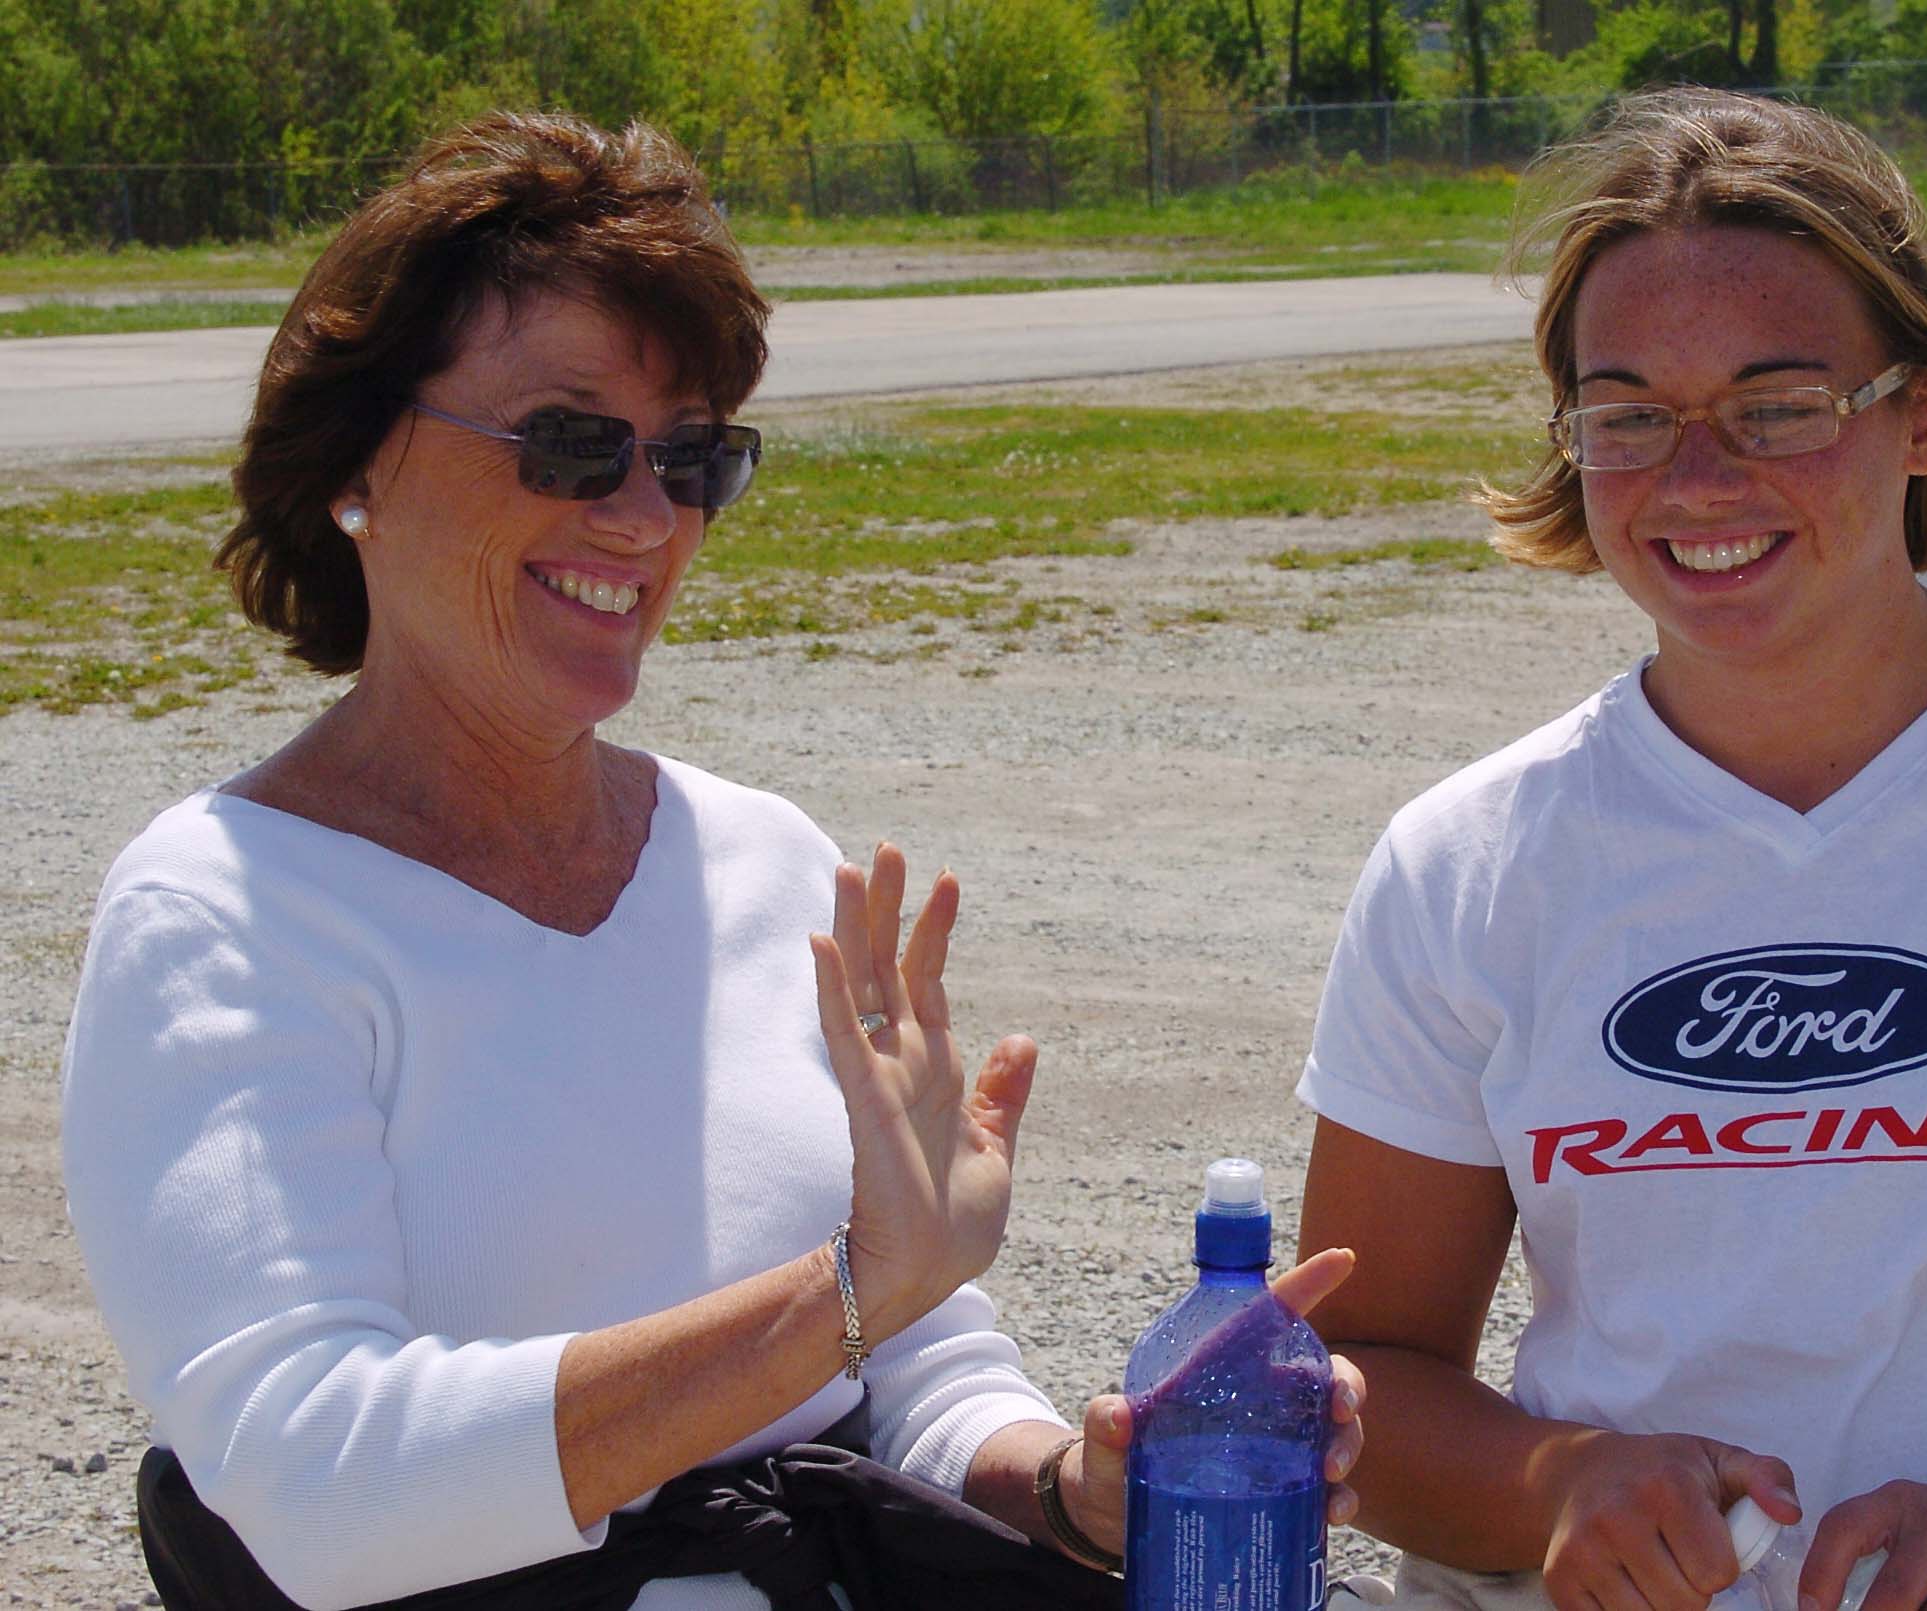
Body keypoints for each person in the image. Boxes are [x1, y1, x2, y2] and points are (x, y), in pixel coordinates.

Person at [58, 110, 1363, 1611]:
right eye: (569, 442)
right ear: (355, 459)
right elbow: (317, 1485)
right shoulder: (229, 912)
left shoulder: (765, 865)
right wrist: (842, 1299)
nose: (639, 517)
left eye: (691, 459)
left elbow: (918, 1363)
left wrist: (1075, 1487)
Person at [1292, 88, 1927, 1611]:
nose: (1698, 473)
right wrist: (1553, 1487)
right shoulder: (1471, 859)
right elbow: (1356, 1375)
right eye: (1630, 416)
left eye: (1780, 405)